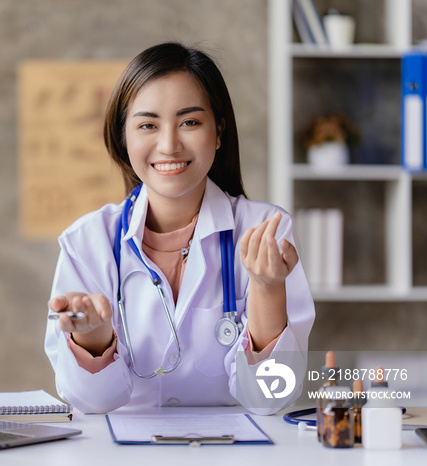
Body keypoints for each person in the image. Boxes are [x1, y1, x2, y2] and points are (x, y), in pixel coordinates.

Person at [44, 42, 315, 415]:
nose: (169, 145)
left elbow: (269, 399)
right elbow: (92, 403)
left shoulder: (265, 232)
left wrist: (267, 289)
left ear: (218, 131)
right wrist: (92, 337)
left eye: (189, 122)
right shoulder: (87, 242)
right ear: (124, 137)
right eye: (148, 125)